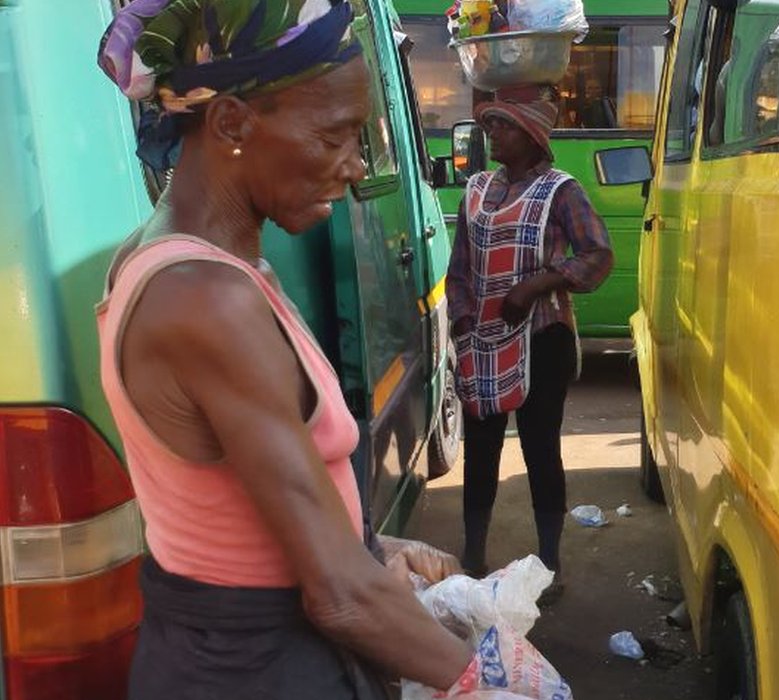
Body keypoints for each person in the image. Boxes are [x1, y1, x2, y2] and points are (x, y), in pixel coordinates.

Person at [95, 1, 472, 698]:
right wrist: (503, 681)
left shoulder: (170, 261)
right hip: (259, 674)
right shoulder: (207, 299)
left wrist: (375, 547)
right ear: (233, 122)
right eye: (336, 136)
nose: (357, 167)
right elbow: (342, 599)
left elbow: (221, 518)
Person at [446, 84, 613, 602]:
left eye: (501, 125)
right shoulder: (475, 190)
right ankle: (473, 556)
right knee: (481, 449)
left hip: (544, 339)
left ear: (531, 136)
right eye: (489, 123)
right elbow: (459, 270)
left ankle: (548, 565)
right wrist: (462, 323)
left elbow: (596, 256)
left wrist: (536, 285)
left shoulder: (562, 191)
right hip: (484, 340)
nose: (490, 132)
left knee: (541, 449)